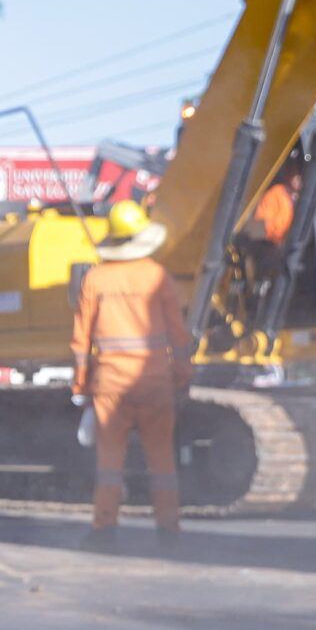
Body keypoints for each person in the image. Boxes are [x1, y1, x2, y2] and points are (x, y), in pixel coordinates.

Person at [71, 201, 193, 538]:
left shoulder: (95, 279)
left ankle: (104, 529)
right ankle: (168, 529)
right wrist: (182, 375)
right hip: (155, 383)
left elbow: (80, 341)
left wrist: (81, 387)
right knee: (162, 462)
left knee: (109, 463)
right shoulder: (157, 276)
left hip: (110, 386)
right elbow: (178, 335)